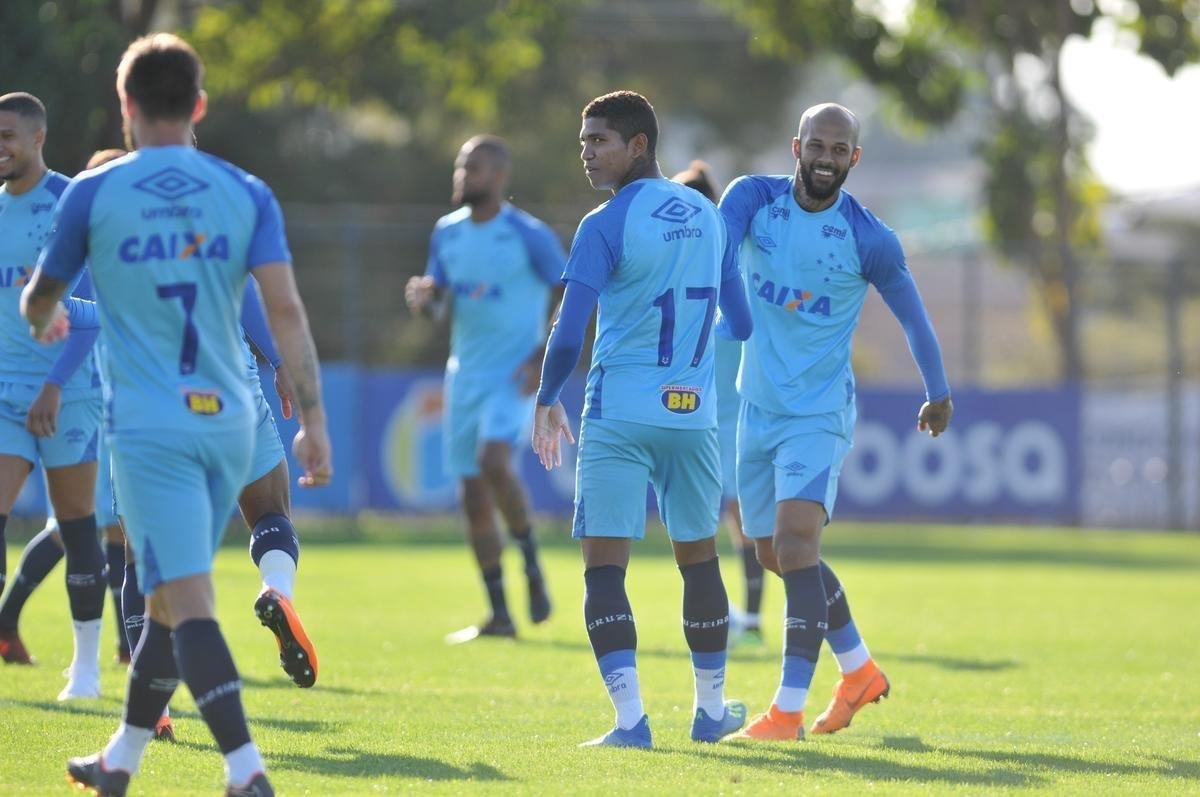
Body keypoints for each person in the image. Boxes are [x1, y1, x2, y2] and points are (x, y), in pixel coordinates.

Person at [23, 33, 331, 795]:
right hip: (232, 417)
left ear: (124, 106)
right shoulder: (245, 190)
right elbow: (285, 309)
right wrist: (315, 420)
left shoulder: (93, 192)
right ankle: (120, 759)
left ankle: (246, 770)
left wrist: (45, 317)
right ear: (198, 105)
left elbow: (40, 300)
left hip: (154, 428)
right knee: (165, 602)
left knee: (184, 598)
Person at [717, 103, 952, 741]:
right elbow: (715, 250)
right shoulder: (751, 200)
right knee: (774, 554)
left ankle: (785, 713)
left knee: (795, 545)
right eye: (815, 145)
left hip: (817, 414)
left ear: (854, 158)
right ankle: (858, 671)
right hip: (756, 408)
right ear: (796, 147)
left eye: (838, 148)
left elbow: (913, 315)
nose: (825, 157)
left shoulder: (868, 237)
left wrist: (938, 391)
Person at [532, 91, 753, 748]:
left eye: (598, 141)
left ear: (638, 145)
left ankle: (631, 721)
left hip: (620, 412)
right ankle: (710, 711)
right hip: (694, 416)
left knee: (604, 566)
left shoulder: (606, 222)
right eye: (583, 143)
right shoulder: (711, 219)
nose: (587, 154)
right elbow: (739, 322)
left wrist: (547, 397)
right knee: (700, 559)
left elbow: (570, 331)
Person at [405, 135, 564, 643]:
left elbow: (570, 294)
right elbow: (438, 303)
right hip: (465, 376)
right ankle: (500, 614)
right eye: (459, 167)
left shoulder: (528, 234)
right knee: (473, 493)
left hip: (513, 376)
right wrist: (424, 299)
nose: (462, 176)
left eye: (472, 168)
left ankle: (532, 563)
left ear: (499, 177)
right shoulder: (446, 232)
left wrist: (543, 358)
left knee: (496, 463)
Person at [0, 92, 108, 699]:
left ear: (38, 138)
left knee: (76, 525)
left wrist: (53, 385)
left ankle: (86, 670)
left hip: (67, 393)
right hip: (4, 393)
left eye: (8, 136)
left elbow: (91, 313)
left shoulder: (69, 203)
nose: (0, 148)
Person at [671, 160, 765, 648]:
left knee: (743, 518)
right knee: (699, 517)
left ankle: (749, 620)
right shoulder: (674, 264)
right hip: (695, 414)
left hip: (737, 410)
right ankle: (716, 615)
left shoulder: (732, 260)